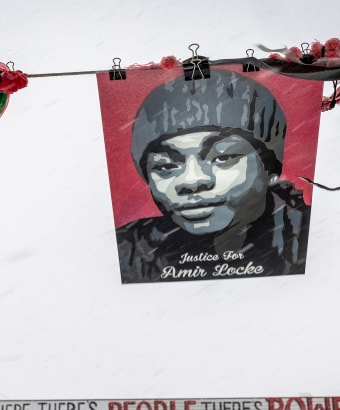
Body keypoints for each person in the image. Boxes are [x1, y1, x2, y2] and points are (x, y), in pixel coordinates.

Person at [116, 68, 311, 283]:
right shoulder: (130, 252)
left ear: (270, 169)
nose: (191, 180)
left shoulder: (309, 235)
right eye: (165, 166)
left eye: (223, 158)